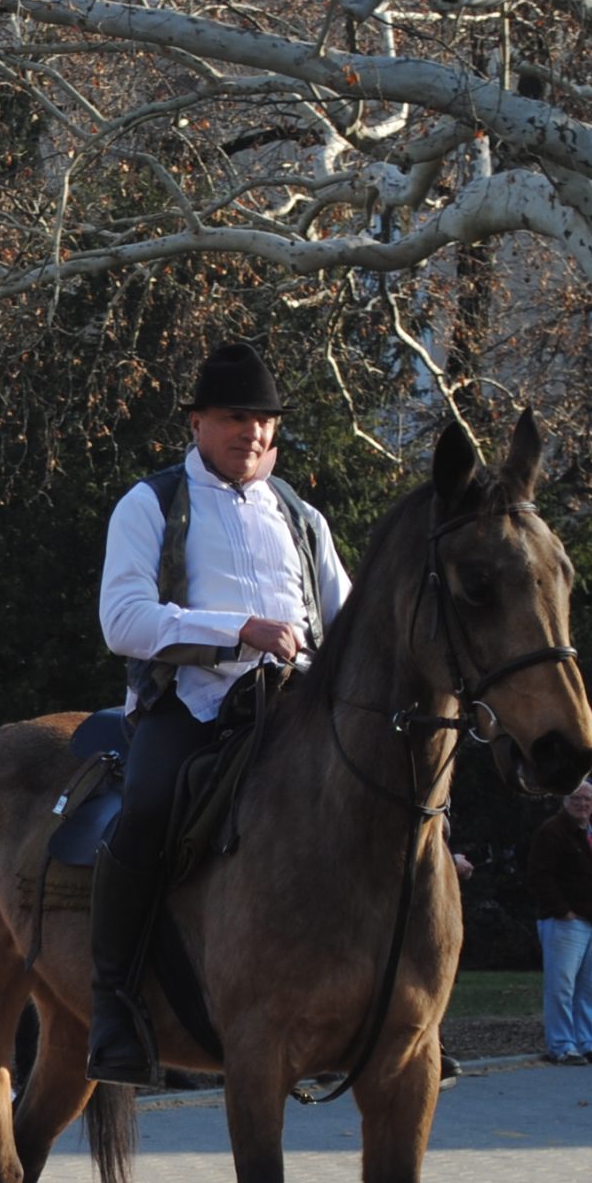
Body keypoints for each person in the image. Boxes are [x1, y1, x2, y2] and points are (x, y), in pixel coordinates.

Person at [89, 343, 354, 1086]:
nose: (256, 434)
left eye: (267, 421)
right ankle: (112, 1003)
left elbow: (350, 616)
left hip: (299, 711)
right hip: (194, 707)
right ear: (199, 421)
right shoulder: (150, 502)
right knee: (142, 809)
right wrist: (236, 628)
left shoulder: (301, 514)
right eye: (239, 418)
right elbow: (123, 619)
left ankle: (395, 1003)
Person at [529, 781, 592, 1065]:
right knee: (561, 986)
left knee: (590, 987)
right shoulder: (552, 832)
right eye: (577, 798)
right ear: (565, 802)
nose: (583, 804)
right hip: (566, 921)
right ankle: (562, 1044)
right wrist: (561, 910)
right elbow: (541, 875)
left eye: (588, 800)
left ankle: (585, 1041)